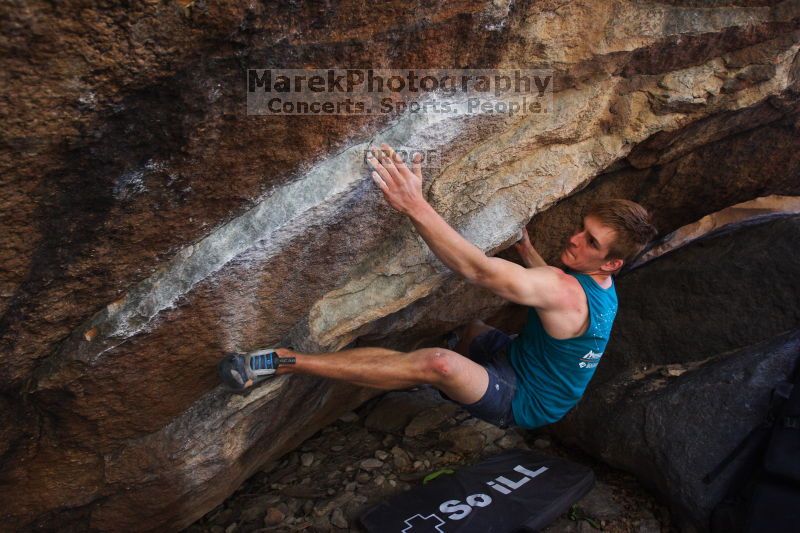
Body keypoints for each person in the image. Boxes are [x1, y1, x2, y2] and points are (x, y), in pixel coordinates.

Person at [218, 144, 657, 429]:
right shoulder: (596, 284)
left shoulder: (564, 290)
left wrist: (413, 203)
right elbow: (554, 290)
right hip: (516, 353)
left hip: (526, 401)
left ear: (613, 262)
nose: (575, 240)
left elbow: (480, 272)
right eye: (582, 229)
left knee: (440, 365)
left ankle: (285, 362)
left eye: (591, 242)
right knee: (469, 328)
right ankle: (436, 364)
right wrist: (527, 252)